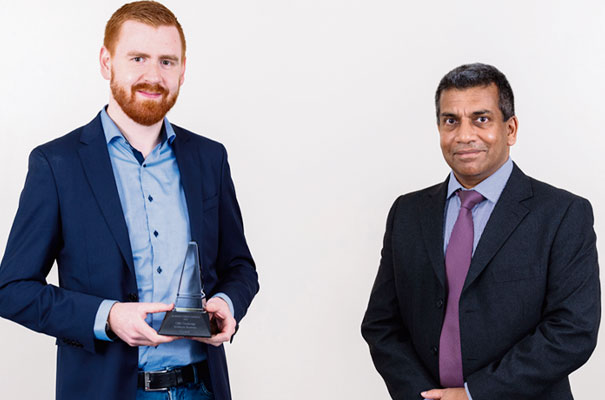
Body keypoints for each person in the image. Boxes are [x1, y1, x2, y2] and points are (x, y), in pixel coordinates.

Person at [0, 2, 259, 399]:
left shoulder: (210, 158)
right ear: (107, 62)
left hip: (201, 388)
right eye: (137, 58)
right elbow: (12, 288)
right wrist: (108, 317)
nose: (153, 76)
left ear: (183, 69)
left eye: (167, 61)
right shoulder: (57, 164)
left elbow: (240, 266)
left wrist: (227, 302)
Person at [361, 63, 600, 400]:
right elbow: (381, 324)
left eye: (481, 119)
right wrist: (423, 396)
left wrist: (475, 394)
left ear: (511, 129)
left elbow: (573, 331)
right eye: (451, 121)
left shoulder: (562, 214)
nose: (464, 135)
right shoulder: (408, 212)